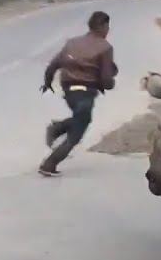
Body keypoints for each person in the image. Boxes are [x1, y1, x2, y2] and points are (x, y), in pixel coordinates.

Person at [38, 11, 118, 177]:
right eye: (107, 26)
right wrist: (110, 83)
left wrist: (47, 83)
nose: (108, 30)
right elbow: (106, 79)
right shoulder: (105, 47)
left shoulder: (72, 43)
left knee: (81, 118)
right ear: (102, 27)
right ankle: (49, 164)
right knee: (77, 132)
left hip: (68, 90)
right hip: (86, 91)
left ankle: (56, 128)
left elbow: (53, 65)